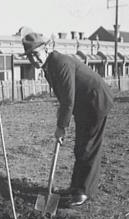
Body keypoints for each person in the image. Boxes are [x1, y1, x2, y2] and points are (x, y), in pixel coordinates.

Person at [22, 32, 114, 206]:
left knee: (88, 146)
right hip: (83, 104)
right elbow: (63, 97)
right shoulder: (48, 67)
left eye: (36, 54)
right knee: (80, 147)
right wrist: (61, 121)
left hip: (95, 101)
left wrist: (61, 127)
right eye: (29, 56)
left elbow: (68, 99)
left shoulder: (60, 63)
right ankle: (75, 187)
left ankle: (84, 192)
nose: (33, 59)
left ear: (46, 49)